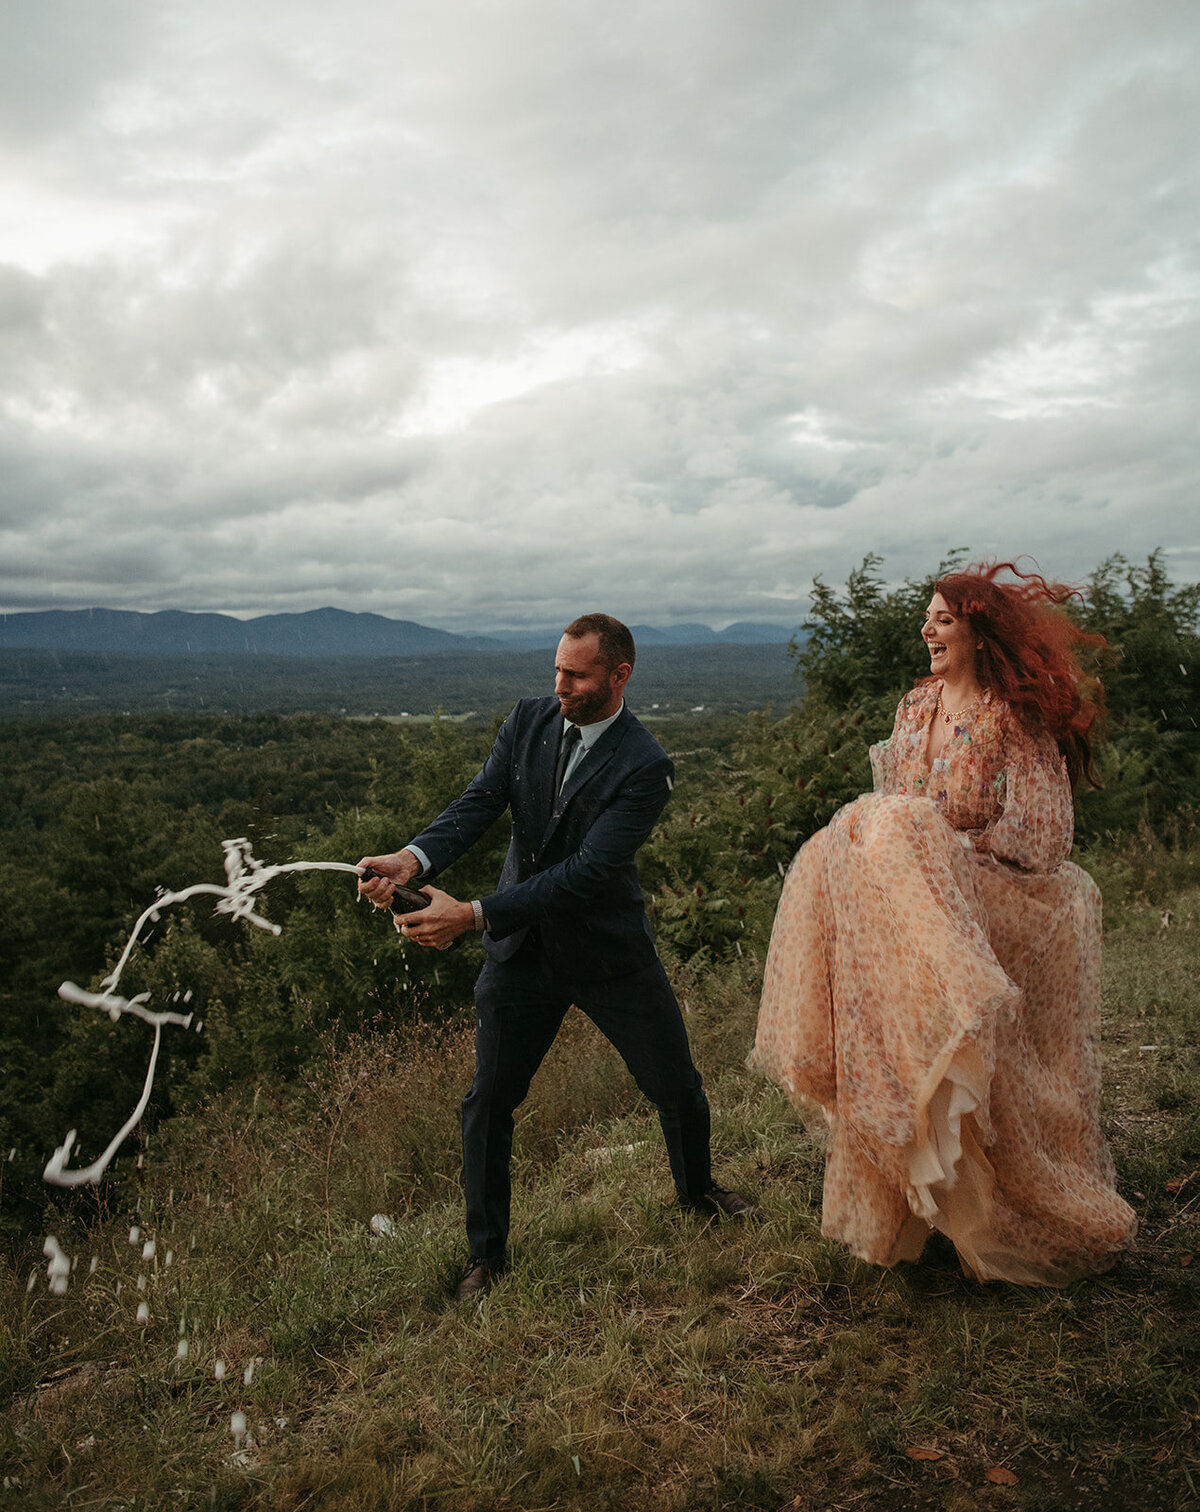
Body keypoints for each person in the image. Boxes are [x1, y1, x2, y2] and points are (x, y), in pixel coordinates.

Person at [750, 563, 1137, 1285]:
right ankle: (915, 1204)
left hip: (999, 892)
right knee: (858, 832)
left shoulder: (1011, 716)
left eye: (943, 620)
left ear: (978, 633)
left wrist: (950, 851)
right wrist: (912, 849)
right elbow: (894, 819)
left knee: (892, 826)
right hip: (919, 900)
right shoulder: (915, 707)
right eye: (928, 618)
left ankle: (1001, 1198)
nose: (927, 630)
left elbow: (1044, 835)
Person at [359, 613, 756, 1299]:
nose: (560, 685)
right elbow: (480, 802)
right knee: (488, 1102)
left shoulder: (646, 765)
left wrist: (472, 914)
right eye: (556, 670)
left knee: (675, 1086)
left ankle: (697, 1192)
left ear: (618, 675)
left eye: (576, 675)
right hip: (522, 955)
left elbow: (589, 873)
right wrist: (413, 856)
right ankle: (487, 1258)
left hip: (607, 952)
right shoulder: (528, 720)